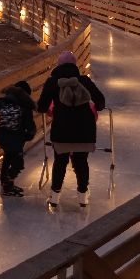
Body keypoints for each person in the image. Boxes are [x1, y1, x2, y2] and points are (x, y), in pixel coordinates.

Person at [36, 50, 107, 210]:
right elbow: (101, 102)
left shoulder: (52, 82)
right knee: (81, 162)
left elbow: (41, 106)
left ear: (58, 65)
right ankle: (83, 197)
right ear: (75, 65)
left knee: (60, 162)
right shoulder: (84, 81)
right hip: (85, 129)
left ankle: (54, 197)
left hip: (61, 129)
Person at [0, 80, 36, 197]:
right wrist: (28, 135)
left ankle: (7, 185)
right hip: (16, 138)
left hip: (2, 137)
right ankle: (7, 183)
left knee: (8, 158)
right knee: (18, 163)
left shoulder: (4, 102)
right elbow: (30, 125)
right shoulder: (25, 106)